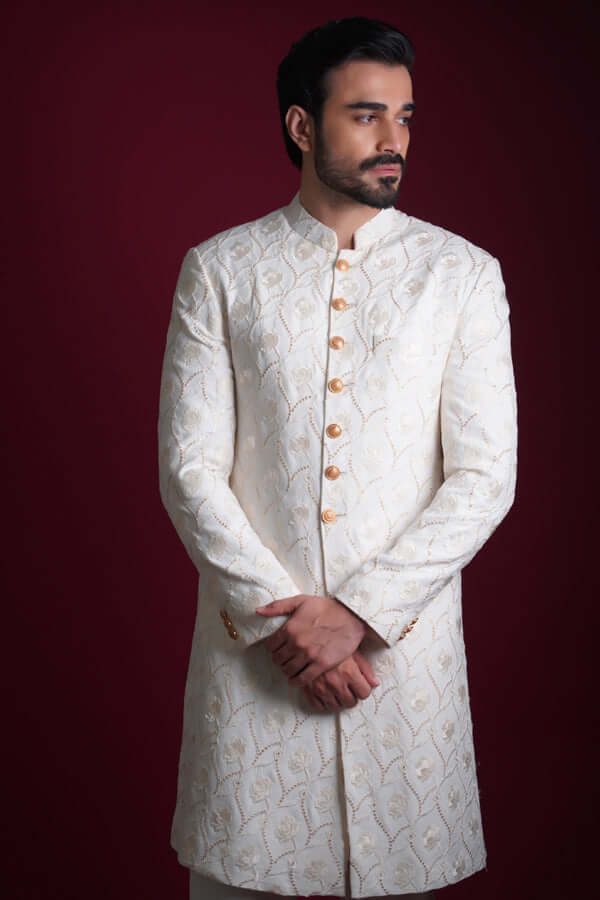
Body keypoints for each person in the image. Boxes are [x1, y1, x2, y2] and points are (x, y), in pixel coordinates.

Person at [157, 16, 518, 900]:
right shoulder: (221, 270)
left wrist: (357, 611)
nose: (394, 140)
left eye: (405, 116)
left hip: (399, 674)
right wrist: (293, 627)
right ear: (301, 126)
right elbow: (189, 469)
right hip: (258, 677)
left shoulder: (462, 275)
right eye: (366, 115)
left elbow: (484, 477)